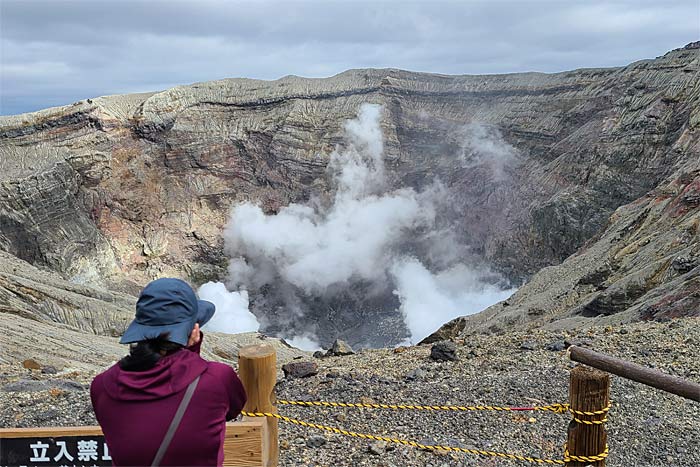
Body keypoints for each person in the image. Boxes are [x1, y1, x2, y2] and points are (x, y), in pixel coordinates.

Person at [91, 278, 247, 466]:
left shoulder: (101, 386)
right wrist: (190, 350)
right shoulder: (217, 378)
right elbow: (230, 409)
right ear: (193, 331)